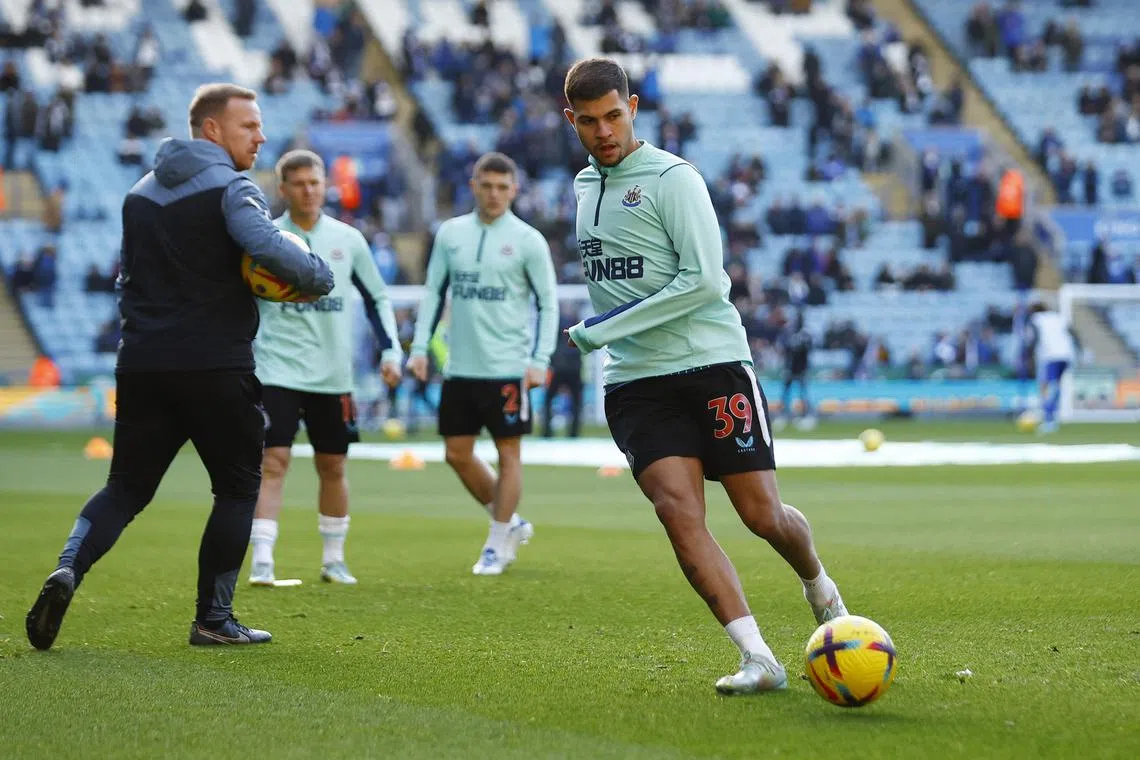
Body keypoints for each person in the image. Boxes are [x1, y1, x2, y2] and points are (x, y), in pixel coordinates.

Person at [561, 58, 849, 694]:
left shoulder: (673, 178)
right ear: (571, 121)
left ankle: (821, 590)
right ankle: (759, 659)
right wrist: (615, 338)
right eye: (590, 121)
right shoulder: (583, 186)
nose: (604, 130)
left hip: (712, 366)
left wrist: (600, 330)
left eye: (614, 116)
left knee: (761, 515)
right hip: (636, 381)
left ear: (633, 109)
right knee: (677, 512)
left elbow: (705, 282)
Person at [25, 83, 334, 650]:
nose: (262, 136)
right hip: (216, 366)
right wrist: (317, 275)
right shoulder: (232, 188)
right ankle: (213, 619)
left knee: (124, 488)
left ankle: (68, 567)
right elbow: (265, 246)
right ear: (211, 129)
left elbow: (126, 282)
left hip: (142, 364)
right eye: (250, 126)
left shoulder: (138, 194)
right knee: (239, 487)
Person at [247, 150, 403, 587]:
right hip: (276, 369)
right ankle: (262, 560)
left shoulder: (348, 240)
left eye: (315, 182)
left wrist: (391, 351)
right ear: (283, 189)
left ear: (325, 186)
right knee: (272, 461)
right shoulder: (265, 240)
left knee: (332, 465)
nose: (308, 190)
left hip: (333, 375)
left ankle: (334, 559)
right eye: (298, 183)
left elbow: (377, 298)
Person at [407, 152, 558, 576]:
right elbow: (434, 293)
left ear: (514, 190)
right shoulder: (451, 234)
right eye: (486, 185)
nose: (494, 194)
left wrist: (539, 359)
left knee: (509, 453)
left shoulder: (528, 240)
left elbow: (548, 304)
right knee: (457, 454)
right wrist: (419, 348)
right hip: (460, 368)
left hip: (509, 368)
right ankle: (509, 522)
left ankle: (495, 542)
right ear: (473, 185)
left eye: (502, 187)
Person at [1028, 302, 1077, 434]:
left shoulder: (1036, 319)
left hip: (1050, 355)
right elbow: (1072, 333)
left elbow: (1035, 338)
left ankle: (1049, 418)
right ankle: (1052, 414)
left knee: (1046, 386)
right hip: (1067, 354)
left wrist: (1029, 354)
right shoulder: (1058, 317)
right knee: (1056, 385)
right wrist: (1080, 349)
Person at [542, 301, 585, 438]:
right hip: (572, 368)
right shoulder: (578, 323)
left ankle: (548, 432)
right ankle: (573, 433)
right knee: (576, 402)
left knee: (549, 399)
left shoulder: (556, 325)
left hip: (559, 367)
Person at [777, 310, 814, 430]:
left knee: (802, 393)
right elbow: (786, 351)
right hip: (791, 368)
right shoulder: (790, 334)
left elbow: (808, 350)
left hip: (801, 368)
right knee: (786, 393)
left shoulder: (805, 335)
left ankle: (806, 415)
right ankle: (783, 415)